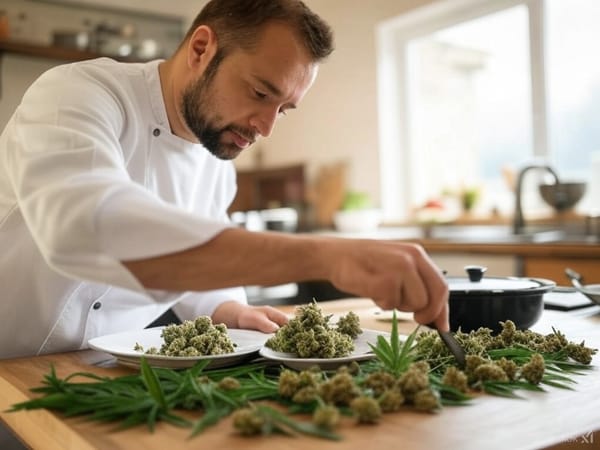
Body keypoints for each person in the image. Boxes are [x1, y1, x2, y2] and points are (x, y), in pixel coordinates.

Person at [0, 0, 448, 359]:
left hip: (104, 371)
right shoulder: (78, 94)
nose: (267, 127)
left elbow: (194, 270)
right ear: (201, 49)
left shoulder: (217, 167)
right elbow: (85, 228)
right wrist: (325, 256)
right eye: (259, 93)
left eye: (284, 108)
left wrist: (227, 307)